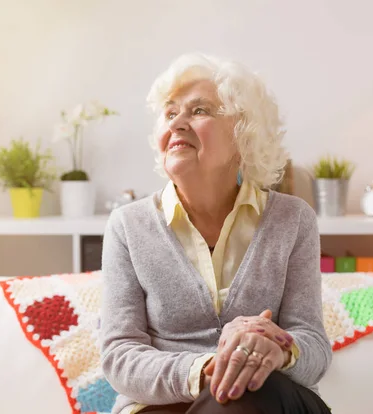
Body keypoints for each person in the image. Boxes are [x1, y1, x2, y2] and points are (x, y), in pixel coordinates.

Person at [100, 53, 332, 414]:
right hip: (162, 406)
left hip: (270, 401)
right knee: (231, 393)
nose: (178, 123)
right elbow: (119, 356)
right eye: (170, 112)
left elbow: (314, 347)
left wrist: (279, 351)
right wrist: (208, 369)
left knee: (244, 393)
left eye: (199, 110)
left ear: (243, 133)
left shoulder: (293, 219)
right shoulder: (128, 226)